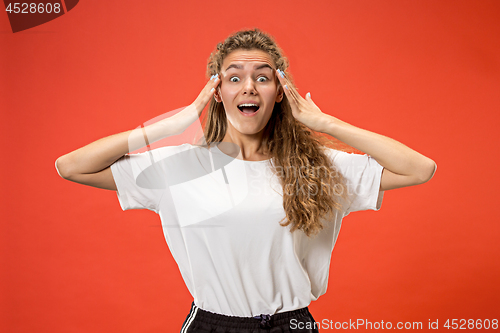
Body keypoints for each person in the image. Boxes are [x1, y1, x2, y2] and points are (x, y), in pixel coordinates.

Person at [55, 29, 436, 333]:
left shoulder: (318, 167)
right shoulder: (179, 167)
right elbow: (71, 166)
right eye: (234, 77)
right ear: (218, 93)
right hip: (212, 324)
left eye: (263, 78)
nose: (249, 87)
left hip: (292, 325)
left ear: (280, 93)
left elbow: (419, 169)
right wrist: (168, 126)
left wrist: (325, 123)